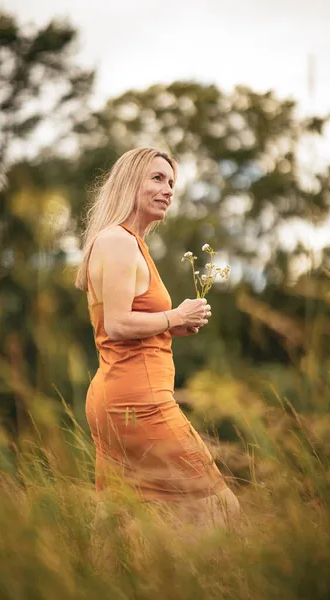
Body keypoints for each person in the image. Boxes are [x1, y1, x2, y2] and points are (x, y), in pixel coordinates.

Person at [75, 147, 239, 527]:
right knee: (223, 512)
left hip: (117, 397)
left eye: (171, 183)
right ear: (130, 182)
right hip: (138, 402)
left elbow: (126, 323)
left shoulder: (128, 241)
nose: (168, 190)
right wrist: (175, 314)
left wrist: (173, 325)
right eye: (157, 179)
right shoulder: (117, 241)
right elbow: (116, 324)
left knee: (121, 524)